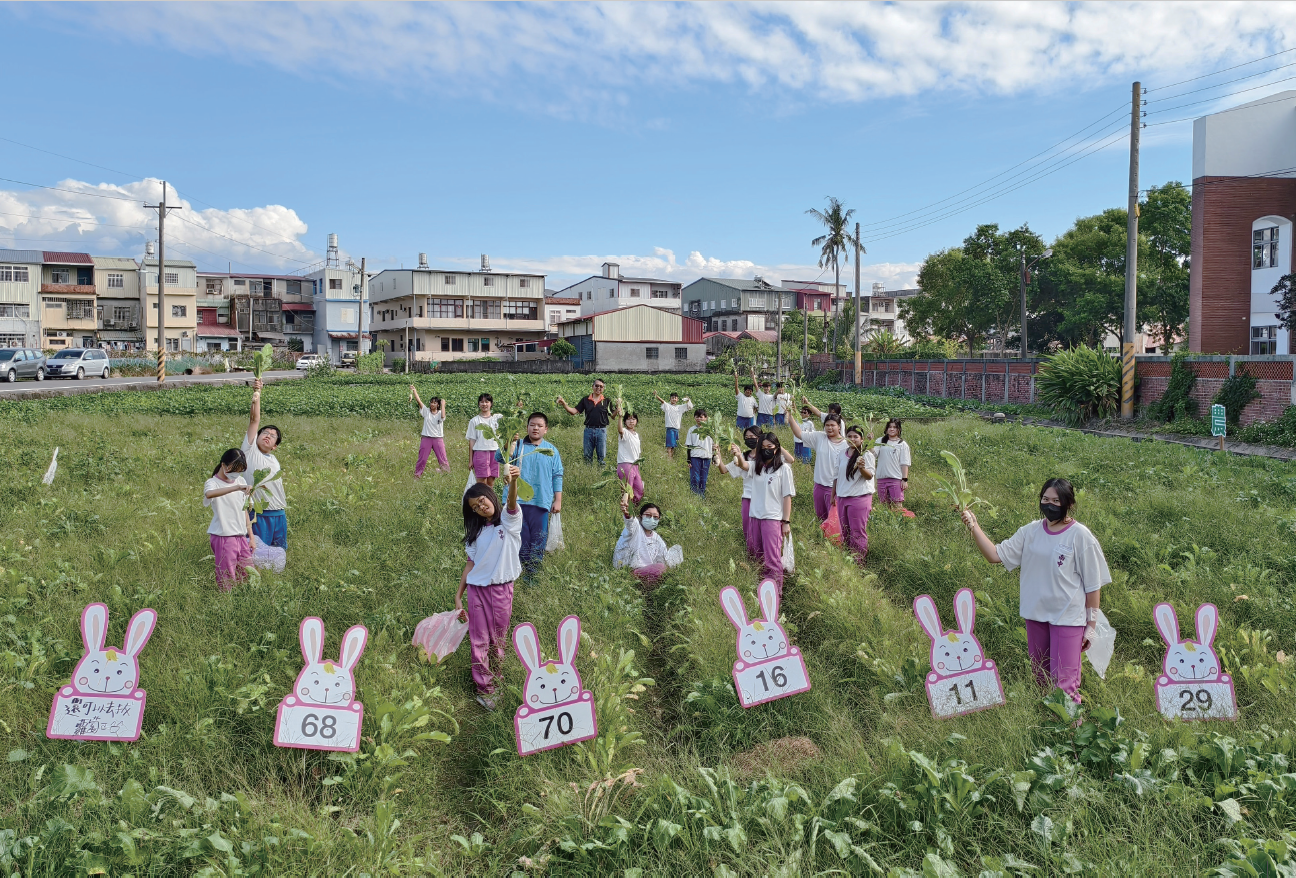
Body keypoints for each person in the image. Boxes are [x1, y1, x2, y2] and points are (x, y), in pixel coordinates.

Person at [961, 478, 1111, 704]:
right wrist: (973, 526)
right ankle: (1046, 721)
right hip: (1035, 615)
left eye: (1056, 501)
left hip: (1068, 618)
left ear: (1069, 504)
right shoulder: (1030, 532)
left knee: (1064, 683)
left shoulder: (1080, 536)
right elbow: (994, 555)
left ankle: (1070, 724)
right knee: (1041, 676)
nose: (1050, 505)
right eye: (1045, 499)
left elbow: (1092, 586)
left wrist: (1091, 625)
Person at [455, 455, 524, 711]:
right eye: (475, 507)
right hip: (476, 592)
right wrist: (458, 595)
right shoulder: (476, 534)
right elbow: (470, 565)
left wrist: (513, 482)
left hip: (501, 591)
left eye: (482, 501)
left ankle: (497, 677)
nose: (481, 507)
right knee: (479, 639)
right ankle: (485, 688)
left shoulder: (508, 523)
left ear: (490, 496)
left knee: (498, 639)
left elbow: (512, 504)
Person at [496, 412, 563, 583]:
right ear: (527, 427)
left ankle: (533, 572)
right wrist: (508, 442)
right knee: (521, 536)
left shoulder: (551, 450)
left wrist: (558, 500)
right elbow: (499, 458)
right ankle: (520, 568)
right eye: (532, 425)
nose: (535, 428)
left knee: (539, 536)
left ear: (546, 429)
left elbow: (557, 475)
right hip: (517, 500)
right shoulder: (517, 445)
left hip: (541, 500)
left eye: (540, 426)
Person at [728, 432, 795, 596]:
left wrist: (786, 521)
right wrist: (738, 454)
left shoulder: (783, 469)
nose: (766, 450)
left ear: (776, 448)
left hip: (772, 519)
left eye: (769, 447)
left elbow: (787, 497)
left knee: (772, 559)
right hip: (755, 518)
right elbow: (744, 465)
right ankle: (763, 591)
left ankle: (776, 594)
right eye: (763, 447)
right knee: (758, 556)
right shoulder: (756, 467)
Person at [716, 427, 794, 557]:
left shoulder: (778, 465)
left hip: (770, 509)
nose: (750, 440)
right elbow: (732, 467)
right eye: (747, 438)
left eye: (753, 437)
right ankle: (754, 559)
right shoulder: (748, 460)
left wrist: (773, 443)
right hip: (751, 503)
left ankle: (771, 565)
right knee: (752, 536)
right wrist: (721, 455)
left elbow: (790, 461)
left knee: (770, 544)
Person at [244, 379, 287, 549]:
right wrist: (257, 394)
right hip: (258, 514)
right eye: (264, 433)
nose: (268, 435)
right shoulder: (250, 450)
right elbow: (254, 420)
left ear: (275, 446)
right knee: (256, 554)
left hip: (279, 513)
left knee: (278, 553)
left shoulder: (274, 460)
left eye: (272, 435)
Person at [204, 448, 254, 591]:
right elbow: (209, 494)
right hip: (224, 536)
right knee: (227, 575)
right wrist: (236, 488)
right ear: (223, 465)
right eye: (234, 469)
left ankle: (245, 597)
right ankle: (226, 600)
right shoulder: (213, 482)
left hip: (240, 536)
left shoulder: (240, 480)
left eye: (239, 471)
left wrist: (251, 537)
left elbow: (244, 510)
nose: (236, 474)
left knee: (248, 572)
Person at [790, 411, 847, 522]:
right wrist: (790, 417)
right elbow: (799, 434)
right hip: (819, 486)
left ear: (839, 427)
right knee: (821, 518)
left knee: (834, 521)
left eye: (833, 425)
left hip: (836, 488)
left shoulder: (846, 444)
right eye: (827, 425)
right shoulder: (819, 437)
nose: (829, 428)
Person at [833, 425, 876, 565]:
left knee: (857, 532)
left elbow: (869, 476)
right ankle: (846, 559)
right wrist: (834, 495)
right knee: (845, 531)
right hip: (842, 497)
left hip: (859, 498)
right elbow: (836, 476)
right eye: (849, 436)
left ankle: (858, 562)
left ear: (862, 439)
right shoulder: (841, 454)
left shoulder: (866, 455)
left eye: (855, 437)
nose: (852, 439)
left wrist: (862, 468)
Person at [614, 495, 677, 585]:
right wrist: (627, 510)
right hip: (628, 570)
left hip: (646, 572)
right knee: (661, 568)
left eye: (655, 517)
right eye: (648, 515)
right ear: (640, 516)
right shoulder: (635, 528)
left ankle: (644, 589)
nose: (652, 519)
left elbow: (663, 559)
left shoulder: (657, 539)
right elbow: (630, 519)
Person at [557, 378, 611, 465]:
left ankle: (601, 472)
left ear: (603, 388)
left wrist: (618, 408)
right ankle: (588, 471)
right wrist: (564, 404)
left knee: (601, 457)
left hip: (601, 431)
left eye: (601, 386)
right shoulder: (585, 400)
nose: (598, 388)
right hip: (588, 431)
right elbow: (573, 411)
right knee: (587, 457)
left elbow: (613, 415)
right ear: (592, 387)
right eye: (596, 386)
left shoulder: (607, 401)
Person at [875, 418, 914, 517]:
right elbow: (873, 454)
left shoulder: (902, 444)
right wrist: (871, 441)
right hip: (881, 479)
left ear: (899, 429)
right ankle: (886, 523)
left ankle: (900, 522)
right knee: (883, 505)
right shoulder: (880, 441)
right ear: (886, 429)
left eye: (894, 427)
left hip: (895, 479)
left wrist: (904, 479)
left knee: (897, 505)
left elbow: (904, 463)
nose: (892, 429)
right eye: (890, 427)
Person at [411, 386, 450, 477]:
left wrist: (443, 405)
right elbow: (419, 401)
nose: (432, 404)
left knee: (442, 458)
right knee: (422, 459)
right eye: (431, 402)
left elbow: (443, 416)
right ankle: (417, 475)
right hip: (426, 438)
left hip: (438, 439)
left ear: (438, 405)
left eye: (435, 403)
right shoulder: (426, 411)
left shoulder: (440, 413)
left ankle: (446, 473)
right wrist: (414, 391)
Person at [465, 393, 502, 487]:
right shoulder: (474, 421)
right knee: (481, 483)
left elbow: (511, 416)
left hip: (494, 452)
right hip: (480, 453)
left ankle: (489, 497)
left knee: (491, 483)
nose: (484, 404)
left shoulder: (497, 419)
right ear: (478, 404)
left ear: (491, 404)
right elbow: (472, 441)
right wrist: (470, 460)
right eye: (482, 402)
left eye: (487, 402)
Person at [652, 390, 693, 460]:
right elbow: (662, 401)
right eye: (672, 398)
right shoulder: (667, 406)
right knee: (669, 445)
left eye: (675, 398)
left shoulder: (680, 407)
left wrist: (688, 400)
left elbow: (690, 407)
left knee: (673, 445)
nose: (674, 399)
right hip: (670, 428)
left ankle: (671, 458)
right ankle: (669, 459)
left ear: (677, 399)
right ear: (670, 399)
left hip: (676, 429)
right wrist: (656, 395)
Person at [615, 410, 645, 504]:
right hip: (625, 465)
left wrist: (638, 466)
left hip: (635, 465)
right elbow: (620, 430)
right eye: (628, 419)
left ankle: (632, 509)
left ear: (636, 421)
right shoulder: (625, 432)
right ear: (625, 422)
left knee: (639, 490)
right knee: (627, 491)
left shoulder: (636, 435)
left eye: (633, 419)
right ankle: (625, 510)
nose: (631, 421)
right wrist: (620, 417)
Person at [684, 409, 713, 495]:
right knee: (695, 478)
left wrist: (714, 457)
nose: (699, 419)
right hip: (695, 457)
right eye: (697, 417)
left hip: (707, 457)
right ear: (694, 418)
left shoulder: (710, 430)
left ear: (706, 418)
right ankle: (694, 495)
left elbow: (714, 445)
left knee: (703, 478)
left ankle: (701, 495)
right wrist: (689, 460)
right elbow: (689, 445)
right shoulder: (691, 429)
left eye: (701, 417)